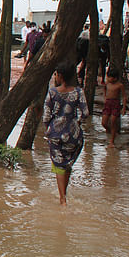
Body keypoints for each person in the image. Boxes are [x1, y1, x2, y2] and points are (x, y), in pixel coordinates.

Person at [43, 62, 89, 205]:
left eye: (56, 74)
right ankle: (64, 193)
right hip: (74, 135)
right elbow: (85, 113)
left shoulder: (52, 92)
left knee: (58, 166)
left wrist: (50, 127)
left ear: (60, 76)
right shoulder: (78, 92)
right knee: (66, 165)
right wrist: (76, 123)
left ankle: (62, 199)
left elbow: (46, 116)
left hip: (56, 134)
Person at [102, 68, 126, 147]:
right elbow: (104, 89)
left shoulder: (120, 85)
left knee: (113, 121)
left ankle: (112, 141)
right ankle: (112, 132)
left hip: (115, 103)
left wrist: (124, 108)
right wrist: (105, 97)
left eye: (110, 77)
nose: (109, 79)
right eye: (108, 77)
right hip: (108, 103)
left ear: (115, 78)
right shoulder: (107, 84)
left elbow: (124, 97)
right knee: (104, 123)